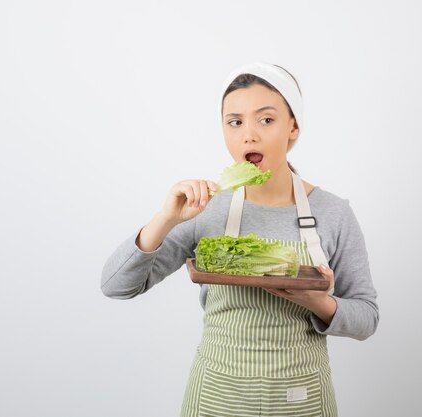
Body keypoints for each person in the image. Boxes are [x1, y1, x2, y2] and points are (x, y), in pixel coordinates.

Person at [101, 62, 379, 417]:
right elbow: (116, 286)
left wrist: (318, 302)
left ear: (293, 126)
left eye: (266, 120)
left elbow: (367, 317)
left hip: (300, 398)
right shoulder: (206, 210)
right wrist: (166, 218)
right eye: (235, 122)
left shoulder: (333, 212)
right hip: (217, 397)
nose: (249, 135)